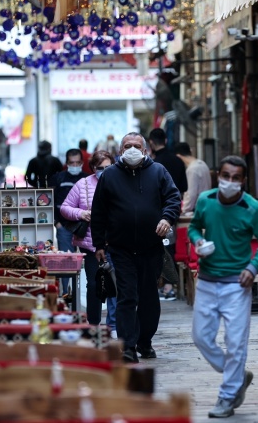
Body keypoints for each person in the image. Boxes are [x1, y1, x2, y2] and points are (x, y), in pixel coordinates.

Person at [188, 155, 258, 418]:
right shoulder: (206, 201)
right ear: (218, 176)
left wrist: (253, 267)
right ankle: (237, 376)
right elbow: (194, 227)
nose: (230, 182)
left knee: (236, 343)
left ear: (243, 181)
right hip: (207, 280)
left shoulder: (252, 209)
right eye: (226, 176)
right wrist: (198, 243)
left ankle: (227, 397)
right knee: (201, 337)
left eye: (236, 178)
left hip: (237, 284)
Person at [90, 132, 181, 363]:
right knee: (127, 296)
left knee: (149, 297)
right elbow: (98, 211)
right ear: (121, 151)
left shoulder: (158, 172)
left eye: (136, 146)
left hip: (151, 248)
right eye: (127, 146)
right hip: (121, 249)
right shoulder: (109, 175)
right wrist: (99, 243)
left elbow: (173, 198)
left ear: (145, 150)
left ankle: (145, 341)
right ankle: (128, 346)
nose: (132, 149)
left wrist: (166, 218)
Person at [61, 150, 117, 338]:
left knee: (115, 284)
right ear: (93, 168)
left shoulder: (120, 182)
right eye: (99, 168)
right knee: (94, 285)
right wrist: (81, 213)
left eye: (107, 168)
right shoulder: (83, 184)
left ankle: (114, 325)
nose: (103, 171)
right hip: (91, 243)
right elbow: (65, 208)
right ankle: (93, 324)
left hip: (116, 241)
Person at [148, 128, 188, 300]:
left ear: (151, 143)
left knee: (155, 246)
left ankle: (160, 285)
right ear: (166, 139)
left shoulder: (153, 164)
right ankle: (169, 286)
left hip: (155, 211)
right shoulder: (177, 161)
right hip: (172, 211)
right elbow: (183, 189)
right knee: (169, 245)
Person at [48, 149, 86, 302]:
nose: (75, 165)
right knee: (65, 262)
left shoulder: (86, 179)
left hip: (85, 227)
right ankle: (66, 295)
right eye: (72, 163)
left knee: (88, 260)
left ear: (82, 163)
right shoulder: (59, 178)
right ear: (66, 163)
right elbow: (50, 200)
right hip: (64, 226)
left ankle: (83, 297)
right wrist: (56, 222)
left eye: (78, 163)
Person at [174, 142, 212, 216]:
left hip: (197, 210)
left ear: (178, 156)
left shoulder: (192, 169)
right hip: (206, 207)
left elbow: (191, 194)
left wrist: (183, 211)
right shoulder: (203, 164)